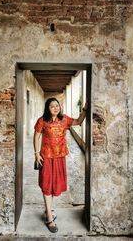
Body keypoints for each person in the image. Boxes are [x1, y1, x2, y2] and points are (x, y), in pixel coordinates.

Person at [33, 97, 89, 233]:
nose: (55, 108)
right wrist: (36, 154)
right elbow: (36, 136)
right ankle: (50, 218)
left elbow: (78, 121)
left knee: (53, 185)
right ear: (47, 108)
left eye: (57, 105)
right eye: (52, 106)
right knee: (47, 184)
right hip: (45, 157)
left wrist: (85, 109)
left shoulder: (64, 120)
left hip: (59, 157)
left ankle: (49, 209)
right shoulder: (42, 121)